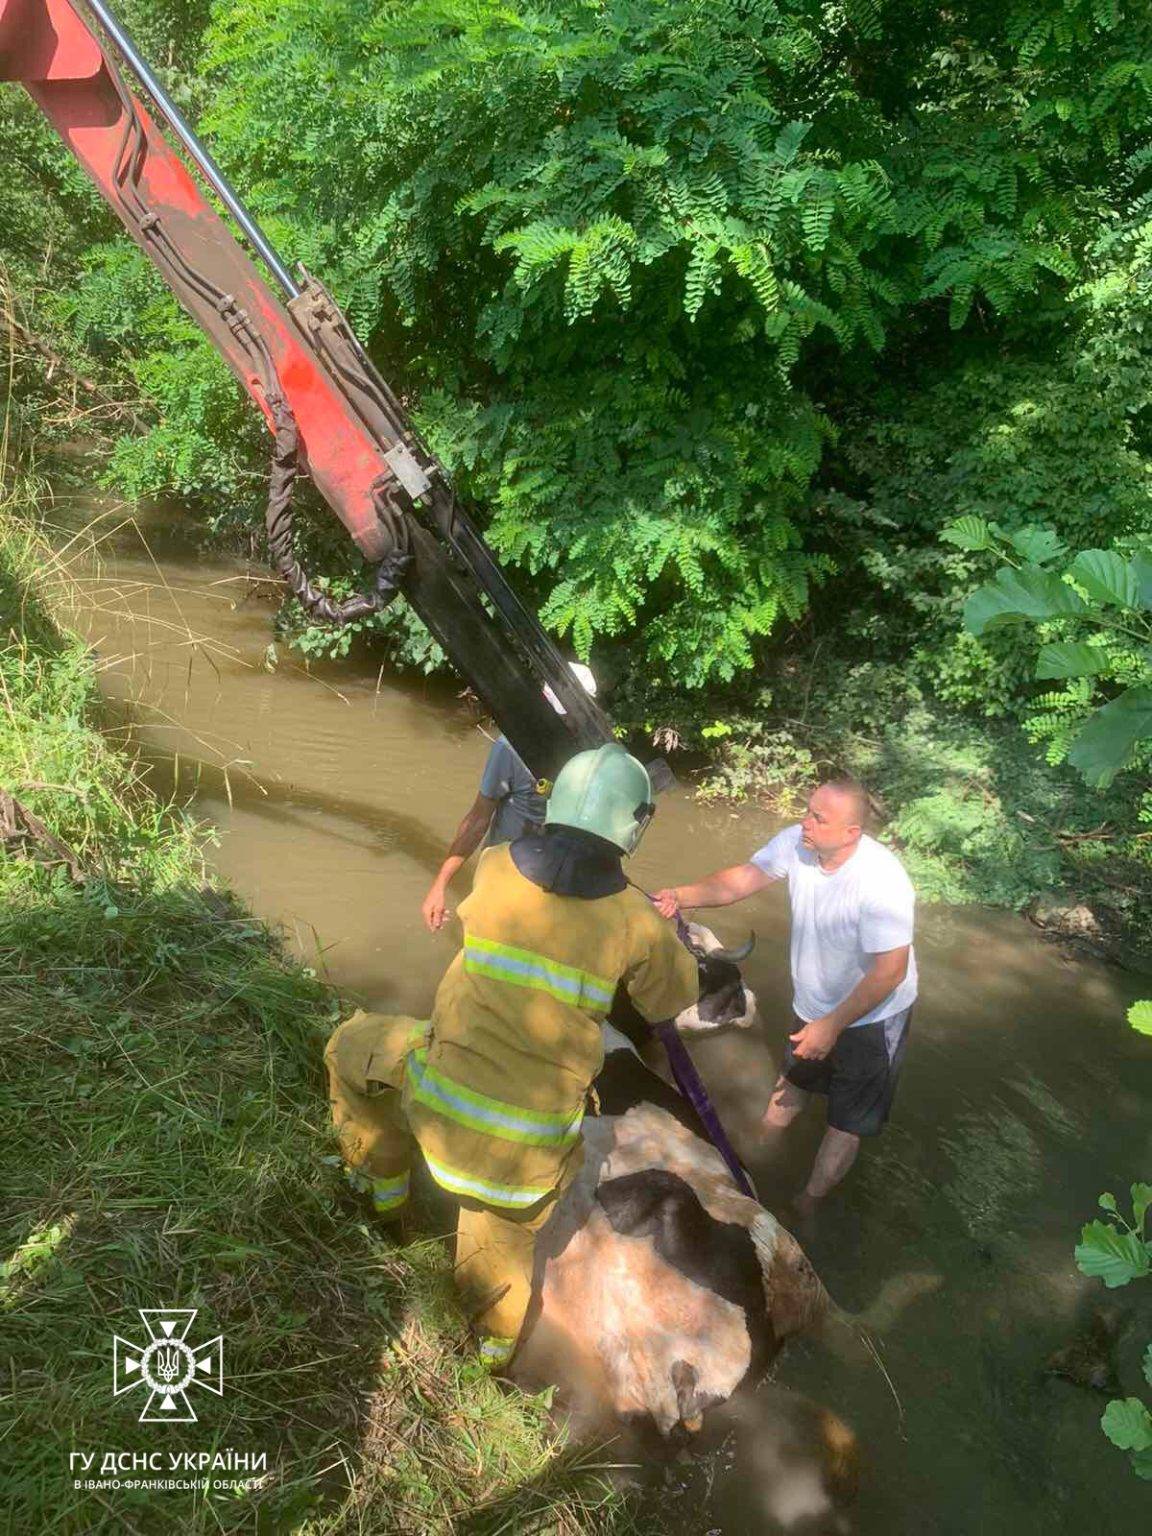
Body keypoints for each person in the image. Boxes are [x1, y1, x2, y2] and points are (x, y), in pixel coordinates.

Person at [325, 744, 700, 1370]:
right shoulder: (638, 923)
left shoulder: (495, 864)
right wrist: (670, 935)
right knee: (497, 1261)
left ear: (557, 799)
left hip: (435, 1100)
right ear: (635, 827)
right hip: (526, 1155)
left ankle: (384, 1197)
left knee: (349, 1047)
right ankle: (490, 1363)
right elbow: (675, 998)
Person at [654, 777, 916, 1214]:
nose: (805, 822)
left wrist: (831, 1026)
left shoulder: (882, 882)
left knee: (846, 1122)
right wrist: (680, 896)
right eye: (808, 810)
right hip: (815, 1003)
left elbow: (891, 971)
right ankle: (756, 1159)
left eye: (819, 818)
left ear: (851, 833)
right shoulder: (799, 843)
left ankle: (807, 1204)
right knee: (793, 1081)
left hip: (873, 1016)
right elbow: (740, 880)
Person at [421, 663, 597, 932]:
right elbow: (478, 819)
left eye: (575, 716)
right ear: (542, 705)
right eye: (563, 715)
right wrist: (439, 885)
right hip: (503, 873)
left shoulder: (592, 757)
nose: (569, 723)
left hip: (554, 885)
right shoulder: (511, 748)